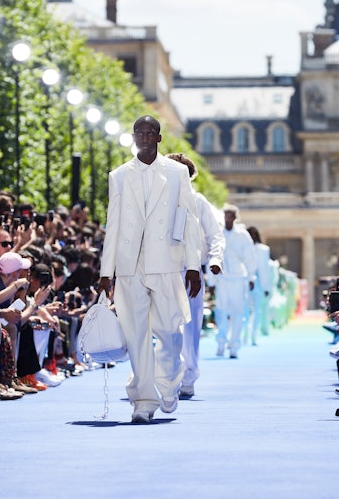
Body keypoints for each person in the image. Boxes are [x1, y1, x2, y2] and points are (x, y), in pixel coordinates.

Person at [98, 115, 201, 424]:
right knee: (136, 335)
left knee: (170, 332)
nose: (143, 136)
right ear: (133, 137)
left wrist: (193, 265)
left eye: (149, 132)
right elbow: (112, 225)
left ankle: (169, 381)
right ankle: (143, 401)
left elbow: (189, 220)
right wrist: (107, 271)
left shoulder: (177, 172)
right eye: (139, 132)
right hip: (130, 267)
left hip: (166, 264)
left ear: (158, 137)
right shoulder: (118, 176)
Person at [166, 152, 224, 397]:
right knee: (165, 325)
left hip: (191, 273)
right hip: (163, 271)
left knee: (190, 327)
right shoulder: (157, 200)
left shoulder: (198, 202)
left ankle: (189, 375)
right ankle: (166, 373)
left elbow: (214, 235)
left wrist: (215, 260)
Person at [213, 204, 257, 358]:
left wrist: (251, 277)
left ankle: (234, 346)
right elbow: (213, 255)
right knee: (221, 311)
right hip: (222, 278)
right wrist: (211, 280)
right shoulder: (217, 233)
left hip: (238, 278)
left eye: (230, 215)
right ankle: (221, 342)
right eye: (225, 214)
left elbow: (250, 257)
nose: (227, 218)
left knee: (238, 312)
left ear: (235, 217)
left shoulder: (242, 235)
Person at [244, 226, 272, 346]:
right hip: (244, 283)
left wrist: (266, 287)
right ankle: (244, 334)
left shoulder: (263, 249)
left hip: (259, 284)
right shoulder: (243, 248)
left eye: (254, 234)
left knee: (257, 311)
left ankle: (254, 335)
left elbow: (265, 269)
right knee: (244, 310)